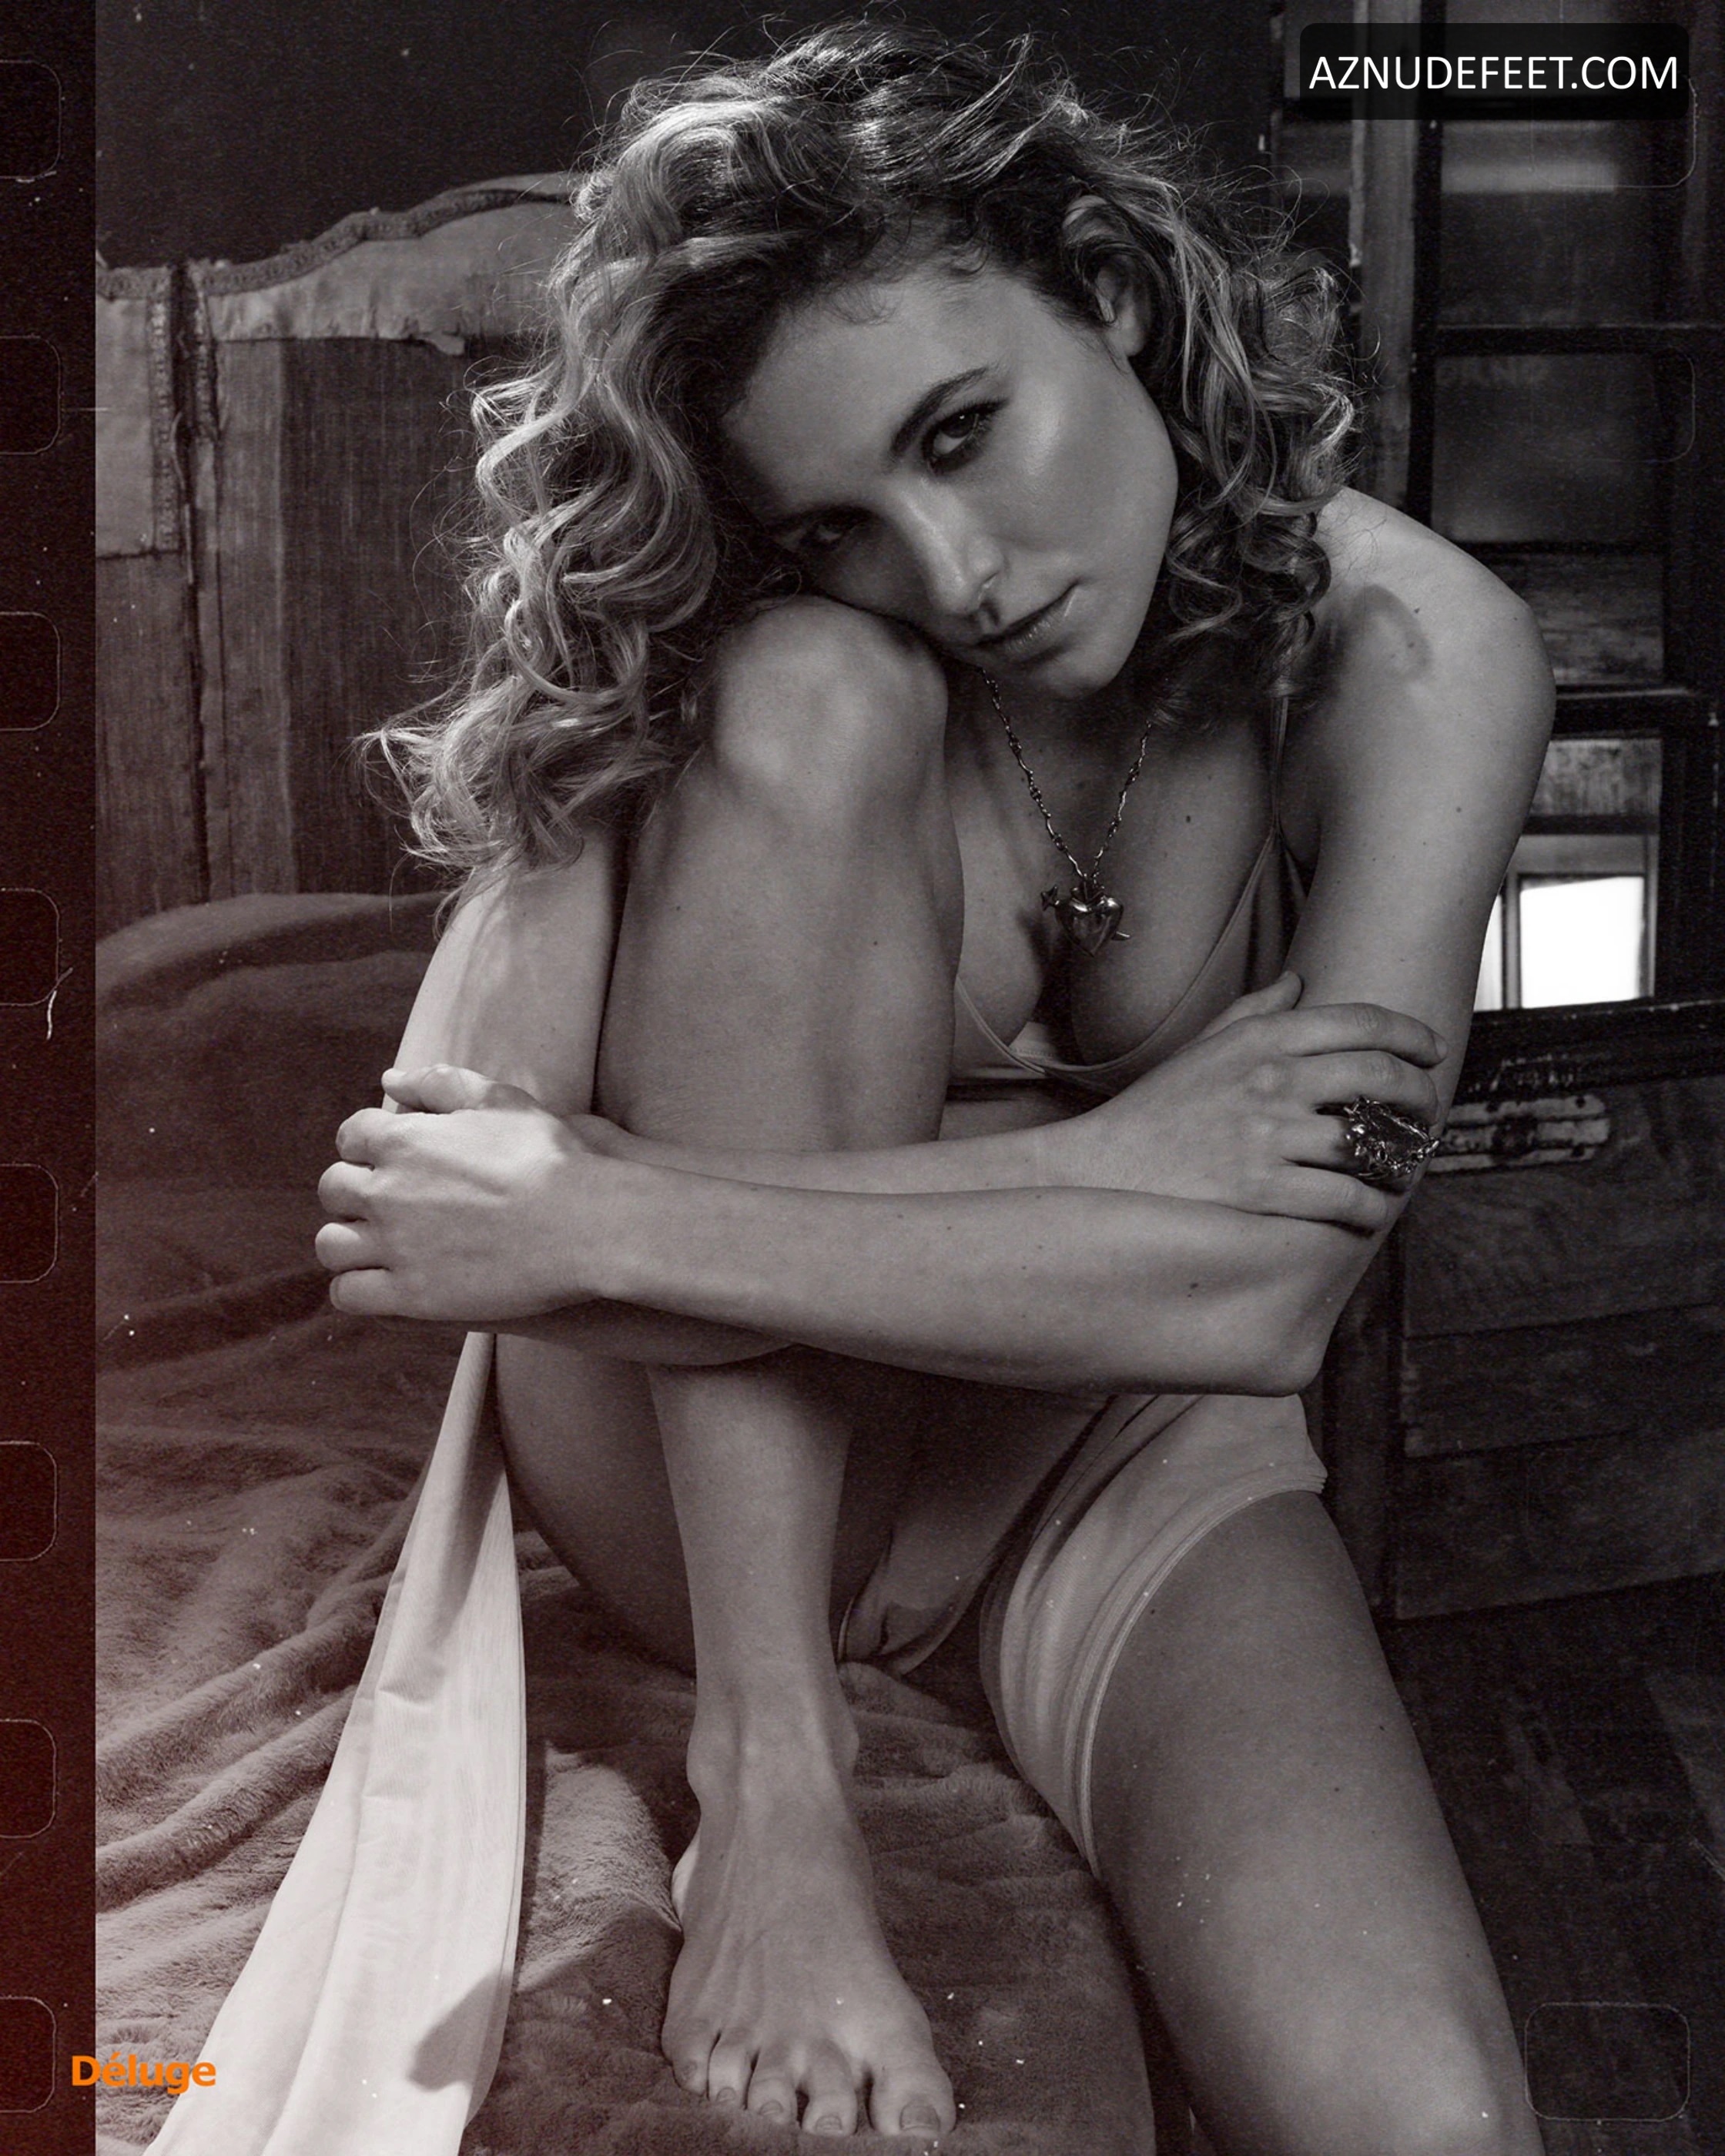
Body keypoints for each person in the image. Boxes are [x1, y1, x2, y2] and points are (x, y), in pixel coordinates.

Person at [315, 27, 1554, 2153]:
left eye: (964, 432)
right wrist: (1129, 1171)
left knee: (1426, 2123)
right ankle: (778, 1782)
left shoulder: (1419, 660)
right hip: (712, 1498)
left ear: (1114, 293)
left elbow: (1264, 1297)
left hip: (1110, 1456)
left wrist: (609, 1206)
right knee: (808, 690)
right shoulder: (765, 640)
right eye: (845, 519)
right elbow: (438, 1205)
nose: (955, 571)